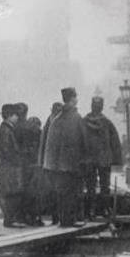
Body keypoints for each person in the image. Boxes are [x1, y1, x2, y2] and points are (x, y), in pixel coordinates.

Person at [42, 87, 86, 227]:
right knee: (72, 193)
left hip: (57, 166)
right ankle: (69, 221)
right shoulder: (76, 118)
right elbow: (83, 142)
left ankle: (64, 220)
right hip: (72, 164)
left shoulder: (56, 119)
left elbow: (50, 145)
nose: (77, 99)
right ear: (72, 99)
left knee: (61, 193)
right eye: (76, 97)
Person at [83, 96, 122, 218]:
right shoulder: (107, 123)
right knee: (105, 186)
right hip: (104, 159)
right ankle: (105, 209)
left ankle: (91, 211)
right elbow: (115, 143)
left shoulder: (84, 122)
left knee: (90, 186)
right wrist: (117, 161)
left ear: (91, 106)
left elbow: (78, 141)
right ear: (102, 107)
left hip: (88, 159)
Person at [0, 103, 25, 227]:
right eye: (15, 115)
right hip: (10, 168)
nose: (17, 117)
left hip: (9, 167)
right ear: (9, 116)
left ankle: (10, 219)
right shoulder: (6, 130)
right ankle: (10, 220)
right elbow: (7, 151)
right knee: (11, 193)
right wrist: (18, 159)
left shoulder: (6, 128)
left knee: (11, 192)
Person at [38, 102, 64, 224]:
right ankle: (59, 217)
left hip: (49, 164)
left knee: (52, 191)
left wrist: (41, 163)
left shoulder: (48, 123)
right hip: (58, 164)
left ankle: (55, 217)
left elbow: (42, 145)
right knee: (60, 191)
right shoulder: (58, 123)